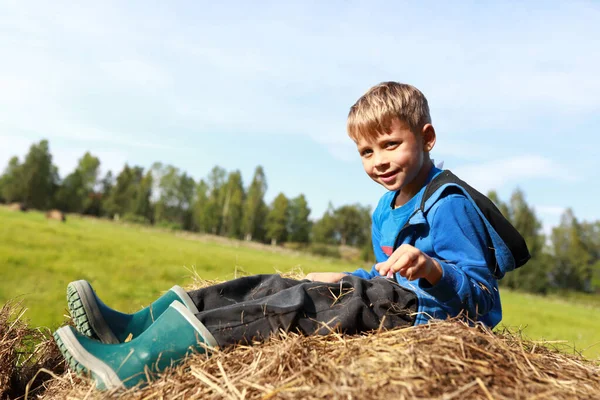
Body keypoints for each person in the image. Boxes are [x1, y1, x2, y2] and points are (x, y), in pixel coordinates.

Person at [53, 82, 528, 390]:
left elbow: (483, 301)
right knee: (268, 285)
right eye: (365, 151)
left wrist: (432, 269)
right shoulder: (386, 207)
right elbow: (381, 273)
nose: (378, 161)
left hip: (418, 316)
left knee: (294, 304)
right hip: (389, 298)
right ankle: (135, 327)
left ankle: (133, 369)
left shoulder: (449, 204)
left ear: (426, 138)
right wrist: (349, 274)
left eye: (390, 145)